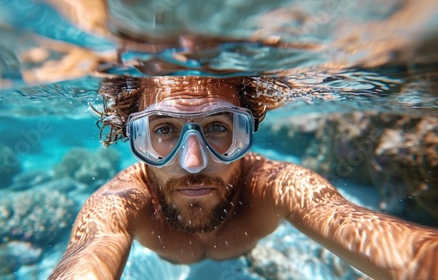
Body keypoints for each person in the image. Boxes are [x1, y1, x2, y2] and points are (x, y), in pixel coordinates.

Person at [49, 76, 438, 280]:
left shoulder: (276, 185)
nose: (194, 163)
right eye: (164, 130)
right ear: (135, 139)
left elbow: (358, 227)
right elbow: (89, 254)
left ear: (246, 133)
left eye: (217, 127)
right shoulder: (118, 202)